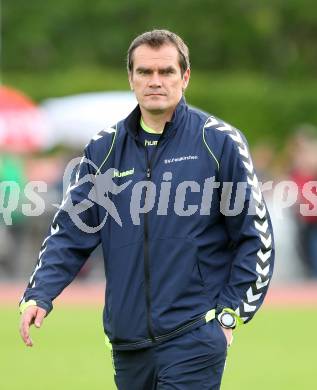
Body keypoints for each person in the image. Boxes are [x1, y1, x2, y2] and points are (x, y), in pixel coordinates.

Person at [19, 30, 274, 390]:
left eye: (166, 72)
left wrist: (230, 316)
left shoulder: (218, 141)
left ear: (185, 77)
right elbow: (71, 233)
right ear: (131, 78)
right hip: (128, 343)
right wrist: (39, 293)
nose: (155, 81)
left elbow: (256, 237)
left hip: (194, 337)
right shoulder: (103, 149)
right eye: (145, 72)